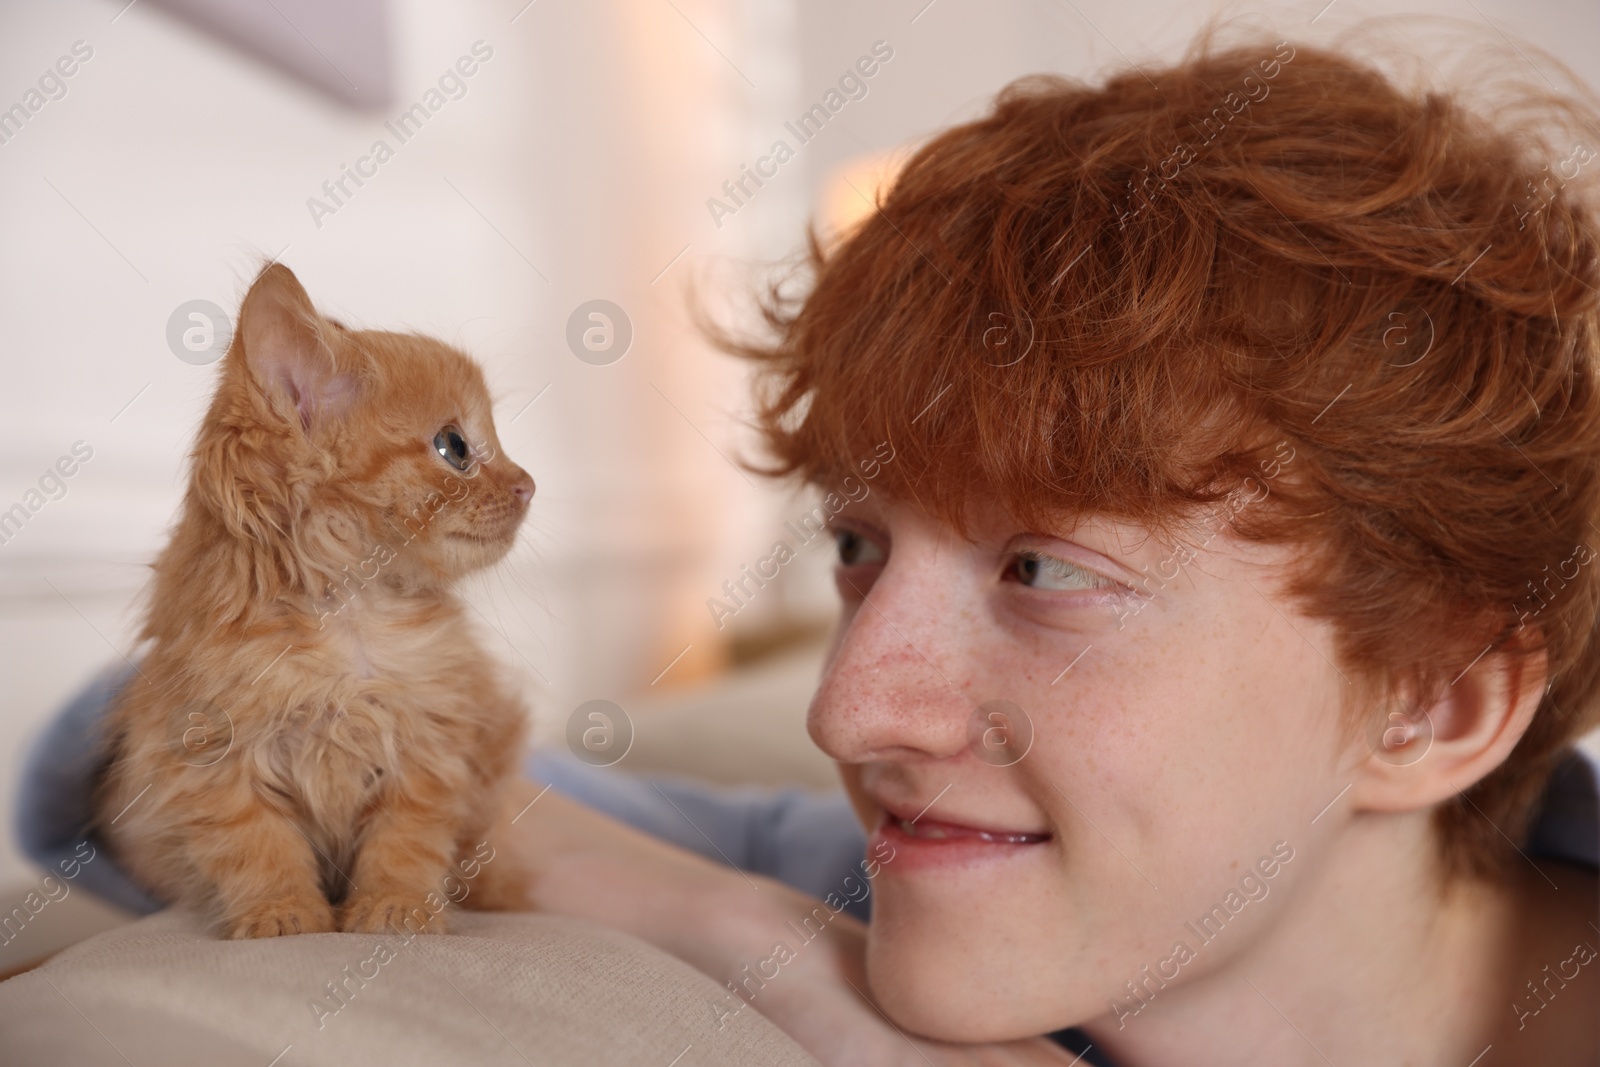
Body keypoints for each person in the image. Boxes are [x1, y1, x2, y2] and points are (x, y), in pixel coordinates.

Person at [16, 29, 1600, 1066]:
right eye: (856, 545)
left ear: (1436, 706)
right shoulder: (866, 877)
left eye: (1042, 571)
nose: (850, 713)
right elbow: (109, 742)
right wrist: (759, 942)